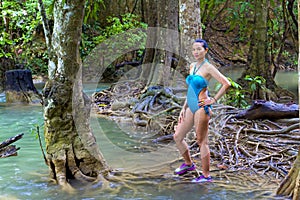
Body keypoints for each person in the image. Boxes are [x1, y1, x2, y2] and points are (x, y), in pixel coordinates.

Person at [173, 39, 231, 183]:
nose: (196, 52)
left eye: (199, 49)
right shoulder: (192, 66)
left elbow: (226, 83)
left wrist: (213, 100)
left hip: (201, 106)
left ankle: (206, 176)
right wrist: (184, 107)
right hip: (190, 105)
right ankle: (188, 165)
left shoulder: (209, 68)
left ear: (205, 50)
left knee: (201, 141)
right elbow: (191, 88)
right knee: (178, 136)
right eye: (194, 49)